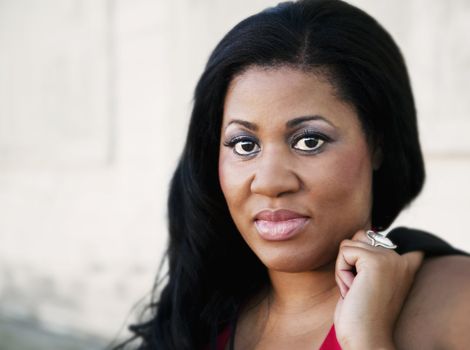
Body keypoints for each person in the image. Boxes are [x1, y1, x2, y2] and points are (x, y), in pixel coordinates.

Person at [114, 0, 470, 349]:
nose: (270, 182)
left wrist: (366, 337)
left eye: (309, 141)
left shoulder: (455, 298)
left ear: (377, 144)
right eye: (243, 145)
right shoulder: (200, 314)